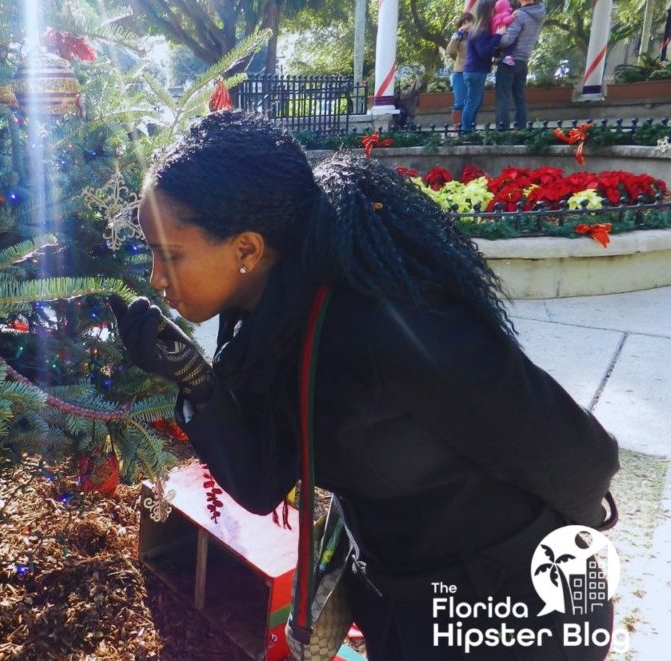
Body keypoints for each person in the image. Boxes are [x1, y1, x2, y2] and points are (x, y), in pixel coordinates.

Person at [110, 111, 619, 660]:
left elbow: (575, 454)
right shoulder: (266, 319)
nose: (157, 279)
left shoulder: (388, 325)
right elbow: (261, 482)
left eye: (170, 255)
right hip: (400, 599)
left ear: (247, 250)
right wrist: (198, 382)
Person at [495, 0, 547, 130]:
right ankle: (521, 131)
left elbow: (507, 40)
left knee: (503, 99)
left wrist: (497, 36)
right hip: (523, 61)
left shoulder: (519, 15)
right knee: (520, 98)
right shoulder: (540, 14)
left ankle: (502, 133)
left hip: (508, 61)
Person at [462, 0, 504, 132]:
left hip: (474, 71)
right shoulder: (480, 31)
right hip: (476, 72)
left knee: (475, 102)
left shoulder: (477, 29)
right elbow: (484, 51)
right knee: (472, 103)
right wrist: (497, 36)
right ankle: (466, 131)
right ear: (489, 11)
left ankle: (469, 129)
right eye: (493, 10)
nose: (495, 13)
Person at [445, 12, 475, 130]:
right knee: (459, 102)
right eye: (464, 23)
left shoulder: (477, 35)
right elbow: (450, 51)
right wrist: (457, 35)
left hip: (474, 71)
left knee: (471, 102)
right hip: (460, 72)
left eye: (469, 22)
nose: (466, 25)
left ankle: (468, 127)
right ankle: (457, 127)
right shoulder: (458, 36)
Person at [492, 0, 517, 66]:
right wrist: (512, 17)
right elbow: (506, 20)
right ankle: (508, 57)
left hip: (495, 35)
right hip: (502, 33)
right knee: (512, 42)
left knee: (498, 48)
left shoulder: (495, 16)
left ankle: (496, 58)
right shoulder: (505, 13)